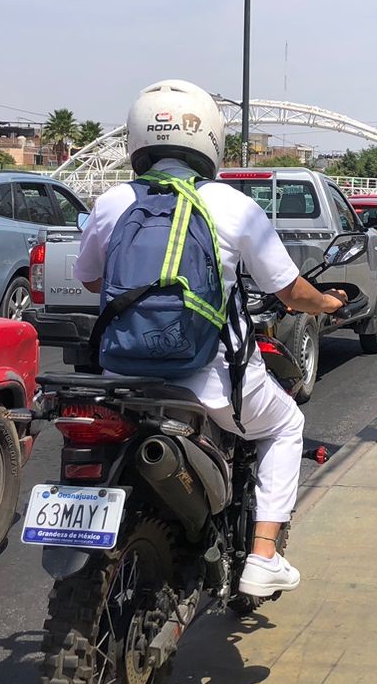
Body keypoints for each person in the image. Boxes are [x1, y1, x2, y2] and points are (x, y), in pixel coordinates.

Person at [73, 79, 344, 597]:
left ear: (138, 139)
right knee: (287, 424)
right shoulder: (233, 205)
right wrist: (328, 302)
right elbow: (289, 292)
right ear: (211, 141)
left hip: (122, 377)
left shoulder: (113, 202)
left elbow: (91, 278)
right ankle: (263, 557)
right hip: (208, 380)